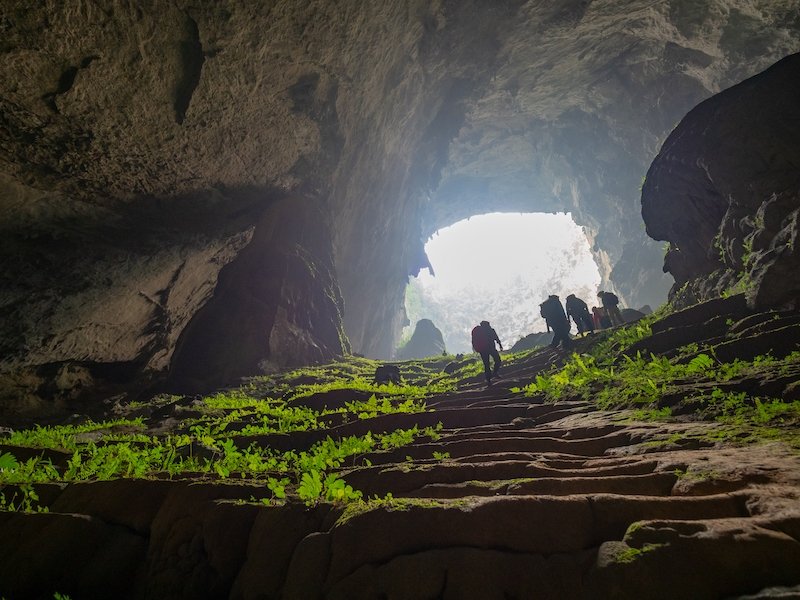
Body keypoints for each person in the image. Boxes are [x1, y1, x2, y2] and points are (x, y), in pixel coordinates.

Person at [471, 320, 503, 385]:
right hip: (491, 348)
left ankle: (488, 380)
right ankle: (495, 373)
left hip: (483, 350)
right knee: (497, 360)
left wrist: (476, 349)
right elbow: (496, 338)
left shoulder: (479, 331)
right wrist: (500, 345)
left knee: (486, 364)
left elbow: (474, 341)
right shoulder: (490, 330)